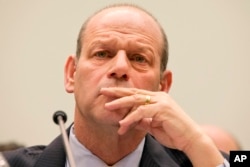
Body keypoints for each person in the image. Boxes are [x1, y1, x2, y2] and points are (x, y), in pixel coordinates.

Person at [2, 3, 229, 167]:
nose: (120, 68)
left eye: (139, 58)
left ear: (163, 85)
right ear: (71, 74)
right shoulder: (8, 163)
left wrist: (194, 142)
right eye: (102, 53)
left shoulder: (209, 160)